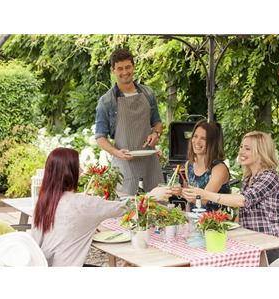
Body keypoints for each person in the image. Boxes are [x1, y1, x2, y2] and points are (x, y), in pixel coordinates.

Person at [31, 147, 171, 267]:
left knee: (123, 268)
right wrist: (150, 196)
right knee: (139, 271)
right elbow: (124, 207)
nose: (81, 170)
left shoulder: (43, 202)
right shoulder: (82, 203)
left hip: (46, 270)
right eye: (78, 165)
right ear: (69, 172)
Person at [182, 131, 279, 264]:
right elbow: (243, 213)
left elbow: (243, 200)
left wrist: (206, 195)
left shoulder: (269, 176)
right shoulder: (249, 178)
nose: (242, 151)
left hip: (271, 245)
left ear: (261, 152)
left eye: (247, 149)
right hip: (252, 242)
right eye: (241, 147)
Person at [95, 48, 164, 196]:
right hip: (123, 164)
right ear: (113, 70)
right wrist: (117, 153)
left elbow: (157, 123)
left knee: (158, 209)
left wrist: (156, 133)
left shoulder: (148, 94)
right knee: (125, 211)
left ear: (133, 66)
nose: (124, 72)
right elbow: (100, 136)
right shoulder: (106, 101)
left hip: (150, 162)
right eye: (120, 68)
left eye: (127, 67)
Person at [178, 119, 230, 212]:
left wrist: (180, 192)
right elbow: (190, 202)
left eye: (203, 138)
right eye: (195, 136)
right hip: (193, 220)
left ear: (212, 143)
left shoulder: (219, 168)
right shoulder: (189, 165)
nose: (197, 141)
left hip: (213, 223)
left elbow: (204, 199)